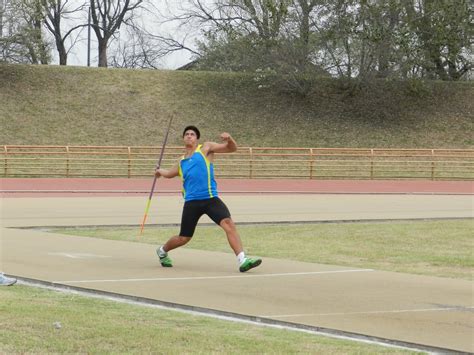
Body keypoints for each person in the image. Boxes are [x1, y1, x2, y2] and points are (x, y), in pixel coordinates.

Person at [154, 125, 262, 272]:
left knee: (228, 223)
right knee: (183, 238)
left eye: (192, 134)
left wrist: (229, 139)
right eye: (187, 134)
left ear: (197, 138)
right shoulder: (181, 162)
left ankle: (242, 260)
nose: (189, 136)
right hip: (192, 202)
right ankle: (162, 251)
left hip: (210, 199)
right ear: (183, 138)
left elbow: (231, 148)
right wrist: (159, 171)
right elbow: (169, 173)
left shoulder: (206, 148)